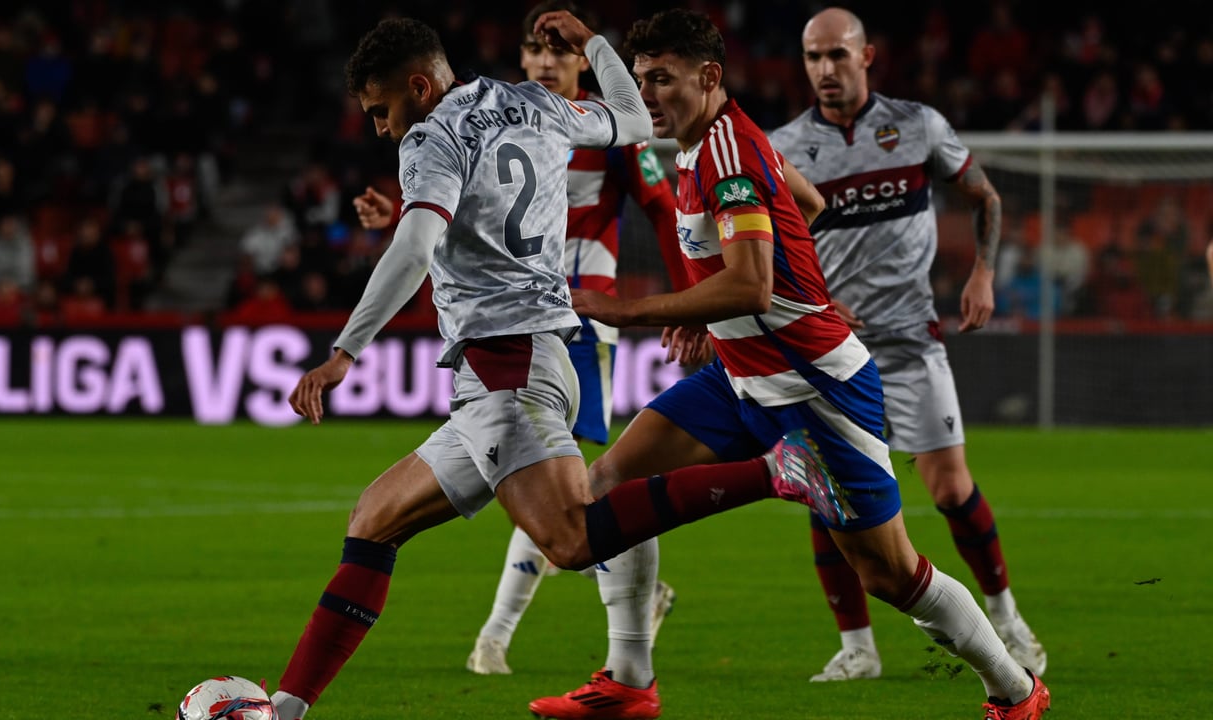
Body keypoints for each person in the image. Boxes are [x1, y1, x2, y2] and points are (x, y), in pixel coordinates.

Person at [269, 13, 842, 720]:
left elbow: (417, 248)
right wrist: (596, 45)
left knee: (571, 538)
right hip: (531, 357)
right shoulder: (532, 102)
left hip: (507, 365)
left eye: (381, 110)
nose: (383, 129)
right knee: (373, 520)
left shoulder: (431, 136)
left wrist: (343, 353)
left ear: (419, 87)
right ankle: (285, 708)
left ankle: (774, 472)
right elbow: (634, 118)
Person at [530, 9, 1050, 720]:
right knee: (605, 486)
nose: (646, 95)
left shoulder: (729, 155)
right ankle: (629, 679)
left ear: (708, 77)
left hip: (817, 388)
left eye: (662, 80)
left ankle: (1016, 691)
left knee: (888, 573)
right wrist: (732, 307)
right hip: (740, 377)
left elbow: (751, 285)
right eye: (641, 79)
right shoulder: (709, 141)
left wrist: (629, 309)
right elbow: (807, 200)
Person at [353, 0, 688, 681]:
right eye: (534, 51)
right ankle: (593, 615)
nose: (543, 61)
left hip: (576, 321)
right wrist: (402, 220)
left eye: (558, 51)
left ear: (580, 62)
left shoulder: (584, 124)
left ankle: (519, 636)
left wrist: (686, 305)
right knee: (549, 491)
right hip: (516, 320)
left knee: (569, 496)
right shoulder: (510, 115)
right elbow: (468, 218)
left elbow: (662, 208)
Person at [766, 6, 1048, 684]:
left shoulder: (917, 125)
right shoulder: (782, 146)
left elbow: (985, 198)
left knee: (950, 488)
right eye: (813, 57)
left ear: (866, 57)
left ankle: (1008, 619)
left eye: (837, 54)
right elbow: (765, 243)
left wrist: (982, 273)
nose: (825, 69)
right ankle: (858, 648)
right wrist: (814, 299)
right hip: (831, 351)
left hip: (911, 341)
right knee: (827, 494)